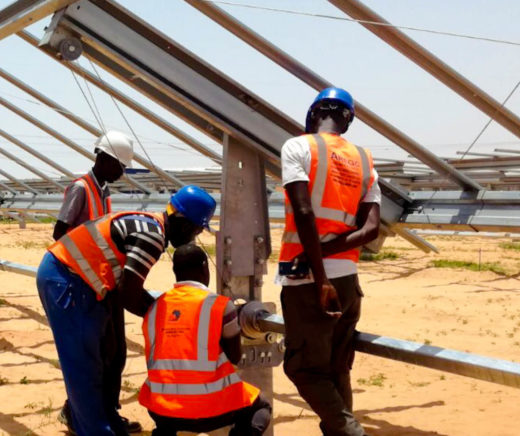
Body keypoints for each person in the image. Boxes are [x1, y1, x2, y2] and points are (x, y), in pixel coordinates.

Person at [37, 185, 215, 436]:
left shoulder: (152, 227)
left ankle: (106, 416)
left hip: (89, 280)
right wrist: (167, 319)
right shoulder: (152, 236)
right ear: (185, 224)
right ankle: (95, 430)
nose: (194, 237)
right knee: (84, 359)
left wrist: (160, 310)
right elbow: (128, 294)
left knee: (113, 351)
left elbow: (127, 288)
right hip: (66, 278)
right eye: (198, 229)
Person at [278, 87, 381, 436]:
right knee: (337, 370)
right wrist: (327, 256)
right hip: (349, 282)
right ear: (347, 120)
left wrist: (318, 273)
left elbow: (304, 211)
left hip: (309, 282)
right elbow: (370, 229)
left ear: (313, 113)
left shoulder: (298, 146)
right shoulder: (365, 159)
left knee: (303, 370)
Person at [52, 130, 138, 433]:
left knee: (115, 351)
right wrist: (86, 267)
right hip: (87, 284)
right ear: (104, 158)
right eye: (120, 166)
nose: (122, 172)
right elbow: (60, 233)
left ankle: (105, 410)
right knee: (99, 352)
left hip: (105, 282)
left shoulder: (103, 193)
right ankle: (84, 413)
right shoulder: (80, 189)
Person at [139, 244, 271, 436]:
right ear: (205, 269)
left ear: (175, 272)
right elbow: (234, 356)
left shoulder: (154, 308)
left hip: (162, 408)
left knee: (165, 425)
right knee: (260, 408)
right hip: (210, 410)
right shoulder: (219, 306)